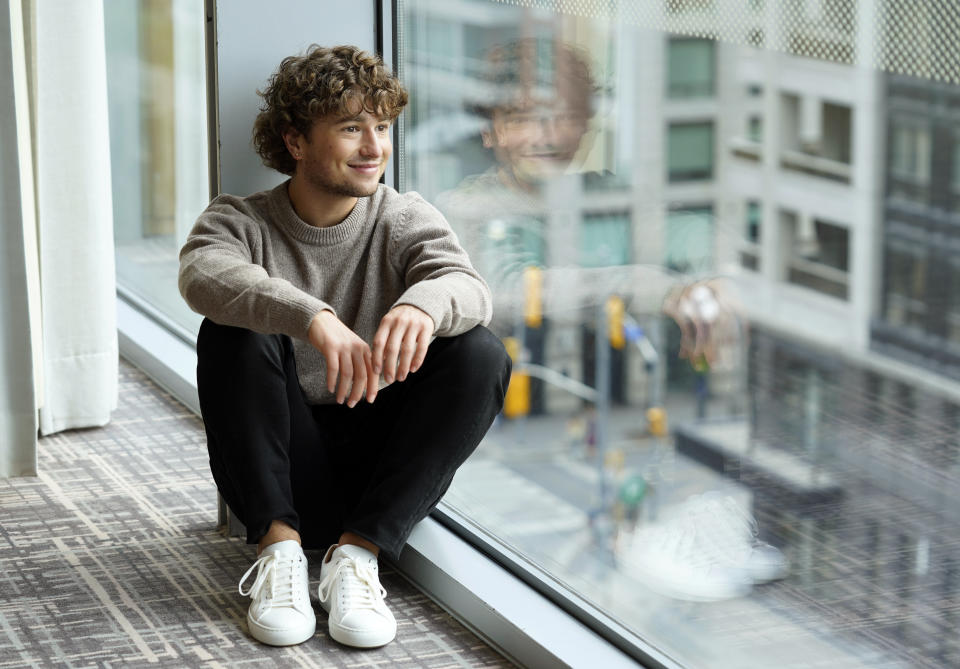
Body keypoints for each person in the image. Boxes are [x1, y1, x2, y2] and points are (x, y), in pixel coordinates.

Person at [178, 44, 511, 650]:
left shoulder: (402, 217)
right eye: (352, 128)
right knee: (231, 329)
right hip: (279, 466)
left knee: (480, 351)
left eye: (381, 127)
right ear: (297, 141)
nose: (374, 147)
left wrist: (422, 304)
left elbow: (468, 287)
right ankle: (279, 556)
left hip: (380, 478)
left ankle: (356, 560)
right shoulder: (240, 221)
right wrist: (311, 318)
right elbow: (202, 275)